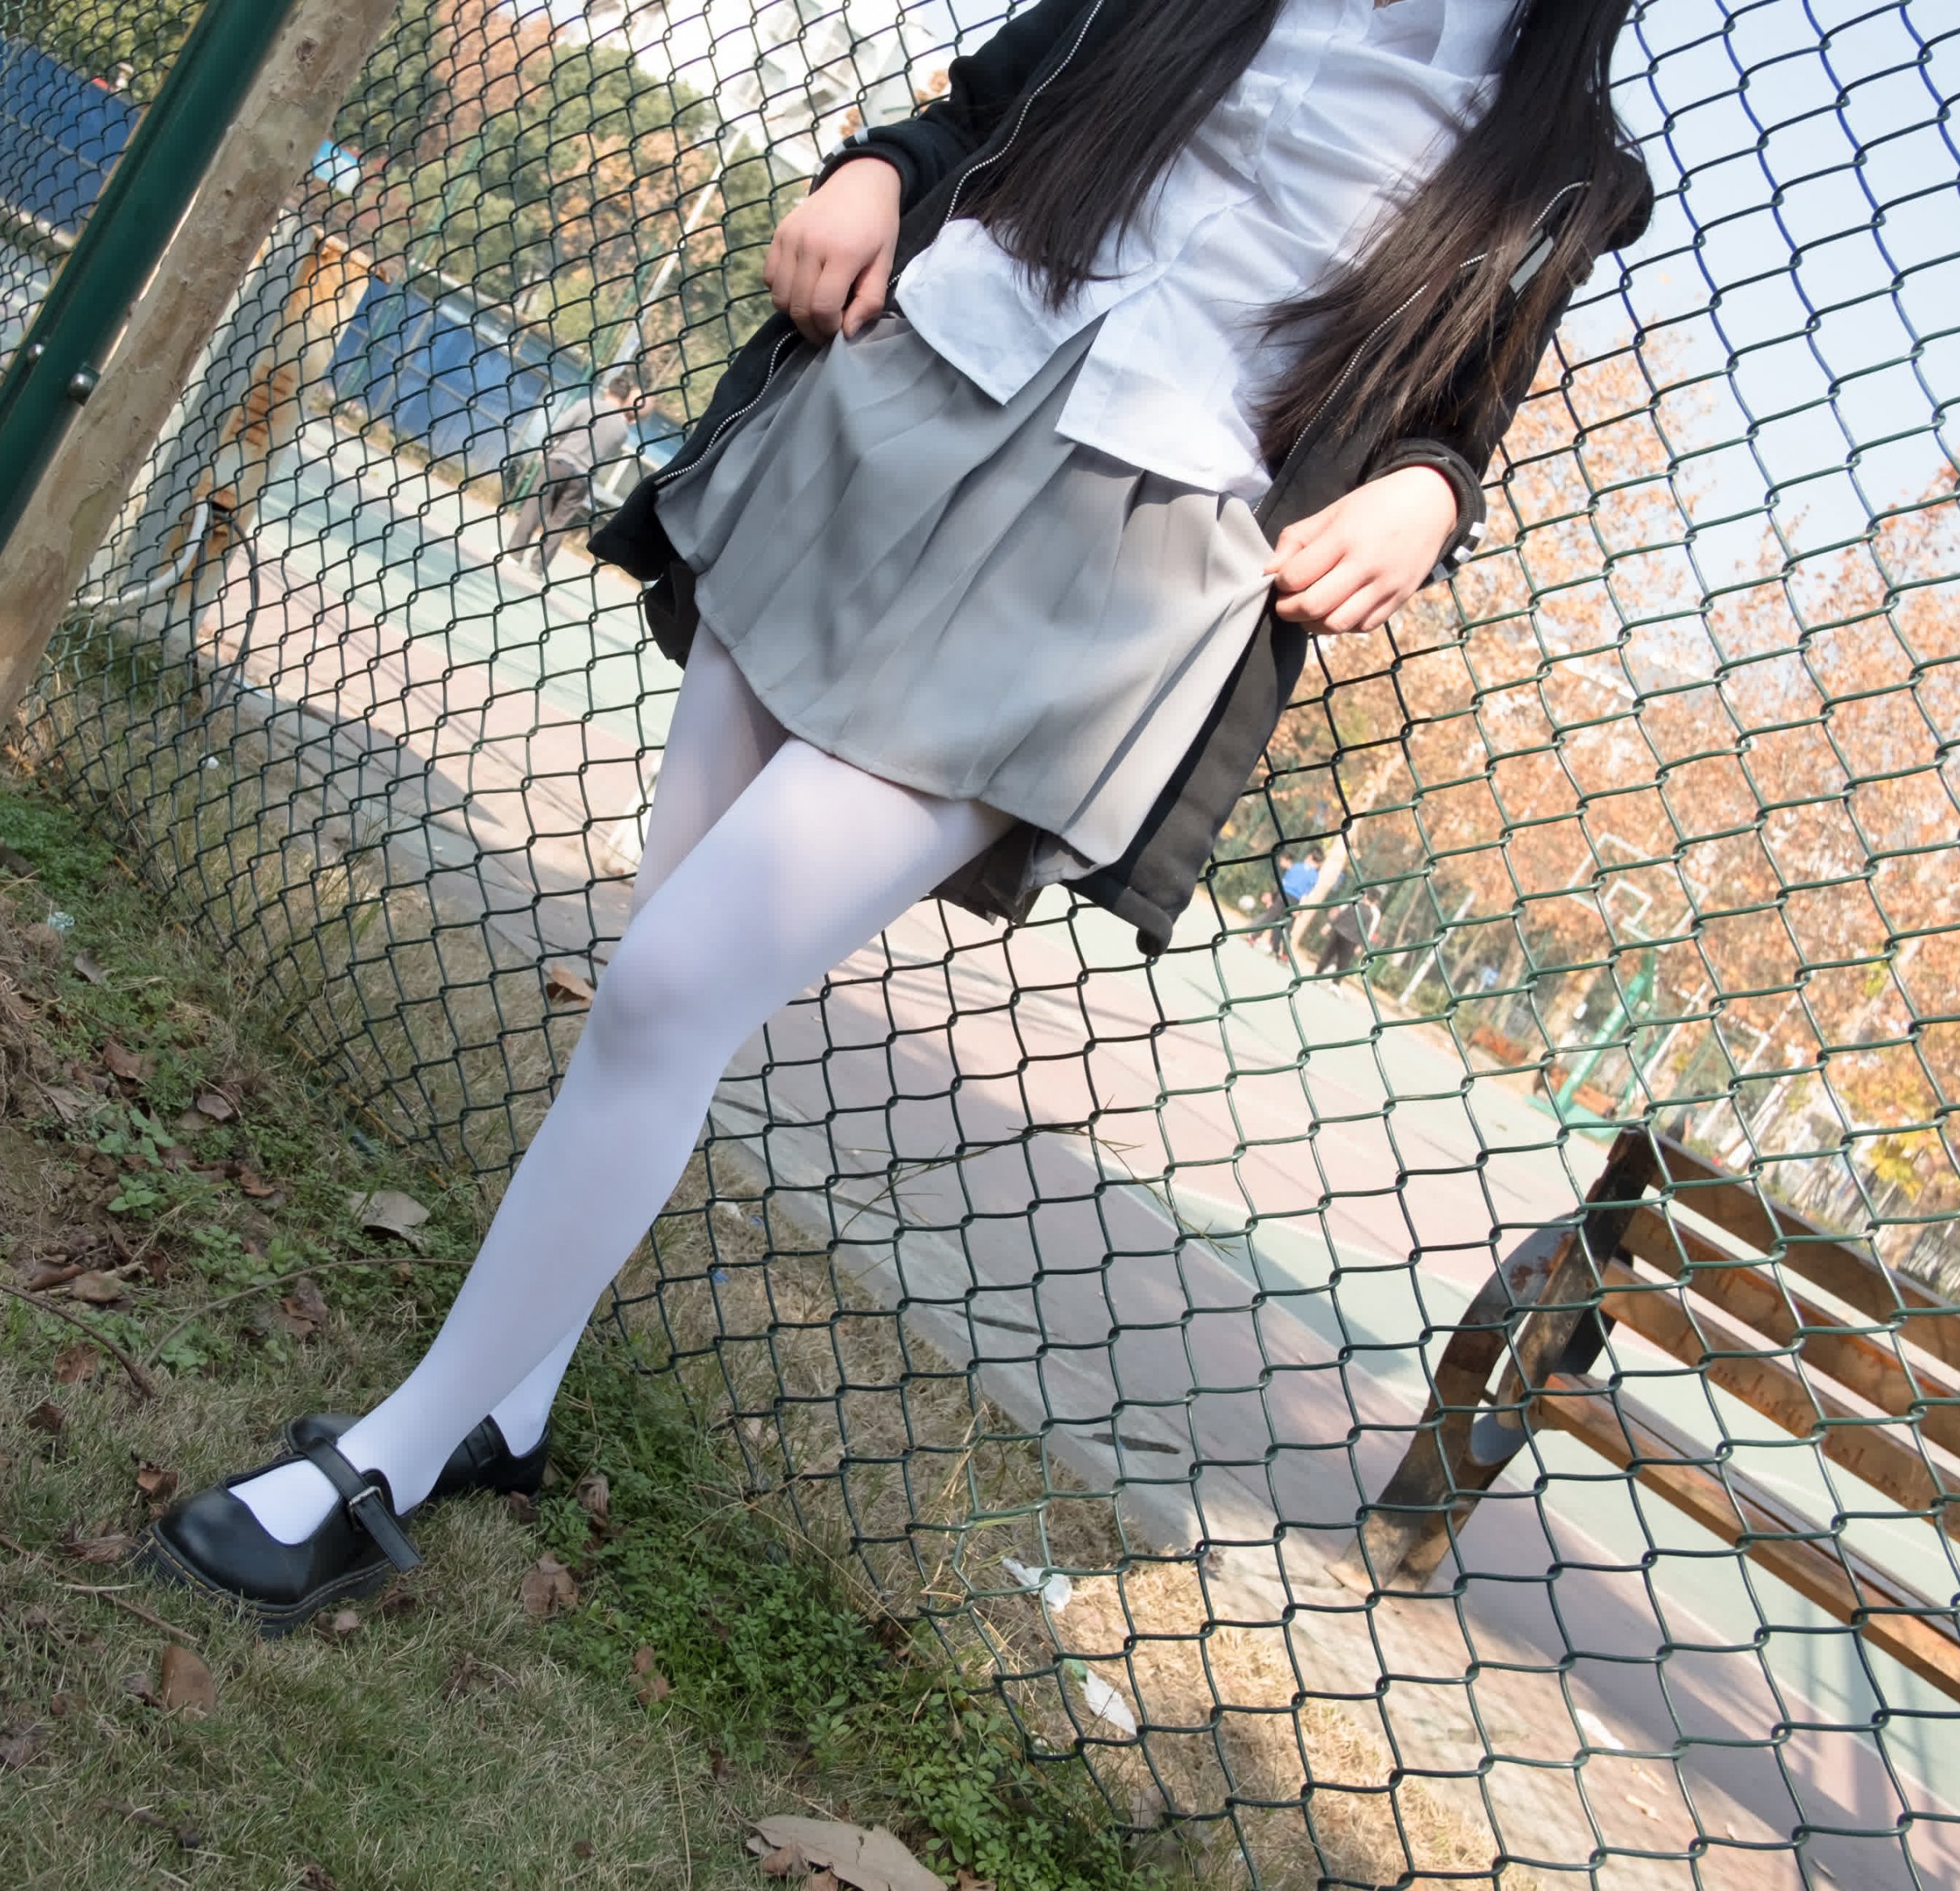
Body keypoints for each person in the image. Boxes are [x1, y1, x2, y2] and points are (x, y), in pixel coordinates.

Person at [143, 0, 1655, 1634]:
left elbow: (1456, 413)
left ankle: (389, 1457)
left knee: (670, 986)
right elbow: (983, 108)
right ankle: (512, 1403)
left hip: (1124, 552)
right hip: (907, 390)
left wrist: (1431, 492)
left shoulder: (1560, 164)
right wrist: (873, 171)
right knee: (665, 961)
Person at [500, 374, 648, 581]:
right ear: (625, 400)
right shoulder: (621, 430)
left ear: (608, 391)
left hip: (560, 461)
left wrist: (547, 448)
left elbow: (561, 427)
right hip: (584, 476)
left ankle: (515, 553)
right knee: (559, 522)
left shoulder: (587, 405)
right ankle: (538, 568)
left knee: (535, 508)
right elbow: (610, 454)